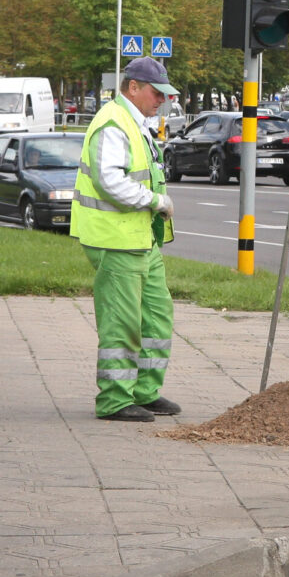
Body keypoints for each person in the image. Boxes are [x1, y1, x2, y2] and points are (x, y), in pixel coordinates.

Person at [69, 56, 180, 422]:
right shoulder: (113, 123)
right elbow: (109, 181)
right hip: (115, 240)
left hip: (140, 239)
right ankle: (115, 400)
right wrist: (155, 201)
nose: (161, 99)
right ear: (133, 87)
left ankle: (145, 392)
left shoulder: (136, 123)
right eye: (155, 92)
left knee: (156, 318)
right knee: (122, 322)